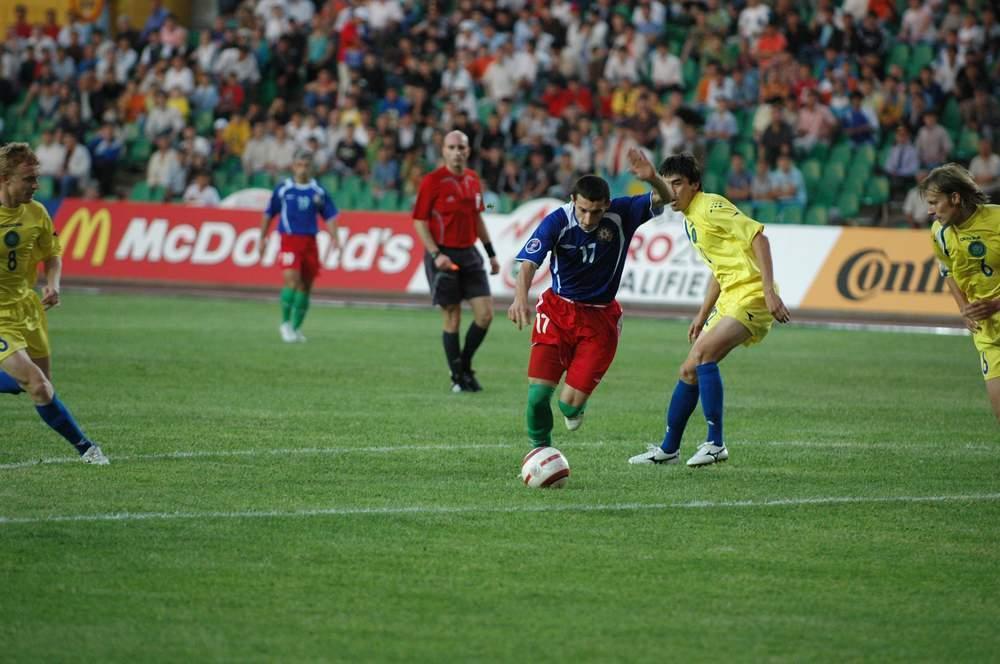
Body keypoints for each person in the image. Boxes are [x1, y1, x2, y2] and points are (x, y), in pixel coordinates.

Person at [629, 152, 791, 467]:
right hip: (731, 295)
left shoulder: (711, 206)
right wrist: (702, 314)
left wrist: (769, 291)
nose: (671, 191)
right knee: (688, 370)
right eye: (667, 184)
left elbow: (759, 238)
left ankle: (715, 444)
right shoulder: (690, 218)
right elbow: (719, 269)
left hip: (752, 294)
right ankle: (668, 450)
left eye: (678, 184)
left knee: (704, 355)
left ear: (695, 184)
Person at [507, 148, 671, 448]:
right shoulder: (557, 221)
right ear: (573, 200)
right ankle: (540, 453)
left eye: (596, 211)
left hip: (599, 319)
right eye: (582, 209)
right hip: (557, 311)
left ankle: (575, 405)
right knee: (537, 395)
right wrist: (520, 299)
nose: (588, 218)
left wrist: (652, 179)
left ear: (607, 204)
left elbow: (666, 197)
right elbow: (529, 264)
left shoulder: (622, 213)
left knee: (568, 407)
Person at [0, 143, 108, 464]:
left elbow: (52, 254)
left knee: (41, 383)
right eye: (28, 179)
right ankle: (87, 448)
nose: (36, 185)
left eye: (37, 178)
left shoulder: (37, 213)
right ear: (5, 179)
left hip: (28, 308)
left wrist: (53, 283)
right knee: (38, 386)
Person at [412, 130, 500, 393]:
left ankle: (464, 365)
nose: (457, 152)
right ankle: (458, 378)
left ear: (468, 151)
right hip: (444, 255)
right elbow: (419, 221)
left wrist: (491, 253)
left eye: (461, 147)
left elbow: (477, 218)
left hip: (470, 253)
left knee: (485, 315)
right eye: (451, 147)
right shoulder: (432, 181)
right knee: (452, 317)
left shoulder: (473, 179)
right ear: (443, 151)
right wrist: (435, 254)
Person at [924, 163, 1000, 421]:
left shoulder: (997, 220)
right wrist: (963, 308)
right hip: (988, 332)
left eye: (934, 202)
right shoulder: (939, 232)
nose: (930, 210)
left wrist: (996, 304)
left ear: (955, 198)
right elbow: (947, 269)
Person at [259, 151, 340, 343]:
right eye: (299, 165)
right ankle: (285, 324)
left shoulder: (318, 191)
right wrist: (262, 237)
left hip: (310, 241)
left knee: (306, 286)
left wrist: (335, 237)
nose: (302, 169)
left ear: (311, 167)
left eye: (306, 165)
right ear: (293, 166)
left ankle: (296, 328)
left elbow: (329, 215)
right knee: (292, 281)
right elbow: (269, 213)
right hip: (289, 240)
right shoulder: (284, 189)